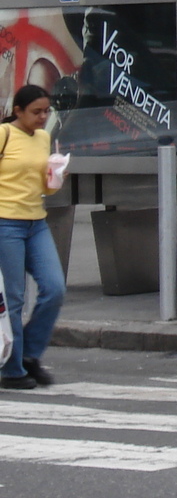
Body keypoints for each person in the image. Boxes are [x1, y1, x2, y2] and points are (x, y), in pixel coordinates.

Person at [0, 86, 67, 390]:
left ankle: (29, 354)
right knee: (13, 299)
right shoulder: (4, 135)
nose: (43, 117)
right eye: (36, 112)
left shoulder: (43, 138)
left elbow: (47, 187)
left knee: (54, 288)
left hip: (35, 221)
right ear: (18, 111)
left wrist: (55, 177)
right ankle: (12, 370)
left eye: (46, 111)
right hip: (5, 223)